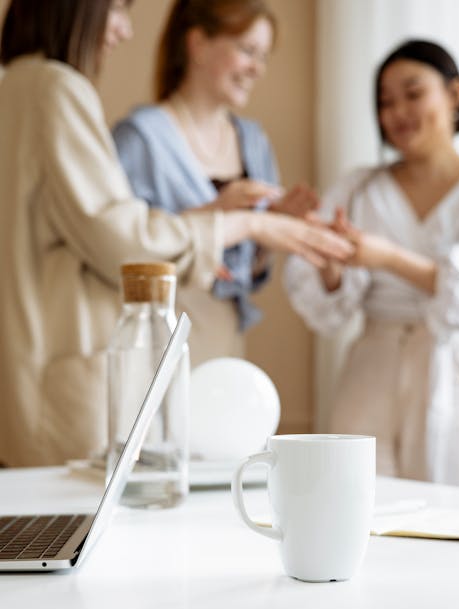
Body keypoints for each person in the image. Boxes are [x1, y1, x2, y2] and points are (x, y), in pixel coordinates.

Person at [0, 0, 351, 468]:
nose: (124, 30)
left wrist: (258, 235)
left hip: (70, 365)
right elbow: (121, 239)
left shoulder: (18, 85)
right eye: (119, 10)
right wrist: (242, 222)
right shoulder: (61, 92)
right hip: (101, 367)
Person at [285, 39, 459, 489]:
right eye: (385, 102)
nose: (398, 111)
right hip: (372, 375)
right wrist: (331, 264)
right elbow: (326, 305)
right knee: (359, 506)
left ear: (455, 94)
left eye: (413, 93)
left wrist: (384, 257)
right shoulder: (359, 187)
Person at [112, 0, 319, 365]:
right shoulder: (139, 139)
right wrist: (214, 214)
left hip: (224, 337)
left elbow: (244, 274)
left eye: (265, 57)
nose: (257, 69)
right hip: (154, 343)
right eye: (247, 50)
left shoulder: (252, 142)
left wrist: (268, 236)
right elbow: (117, 250)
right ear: (198, 44)